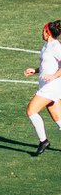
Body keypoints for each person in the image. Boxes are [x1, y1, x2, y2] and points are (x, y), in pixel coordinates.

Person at [24, 20, 61, 156]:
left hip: (51, 87)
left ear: (48, 32)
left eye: (43, 30)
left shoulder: (56, 47)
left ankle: (43, 141)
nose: (41, 33)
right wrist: (35, 70)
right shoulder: (47, 45)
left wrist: (53, 76)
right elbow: (47, 65)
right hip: (47, 85)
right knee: (58, 117)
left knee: (31, 110)